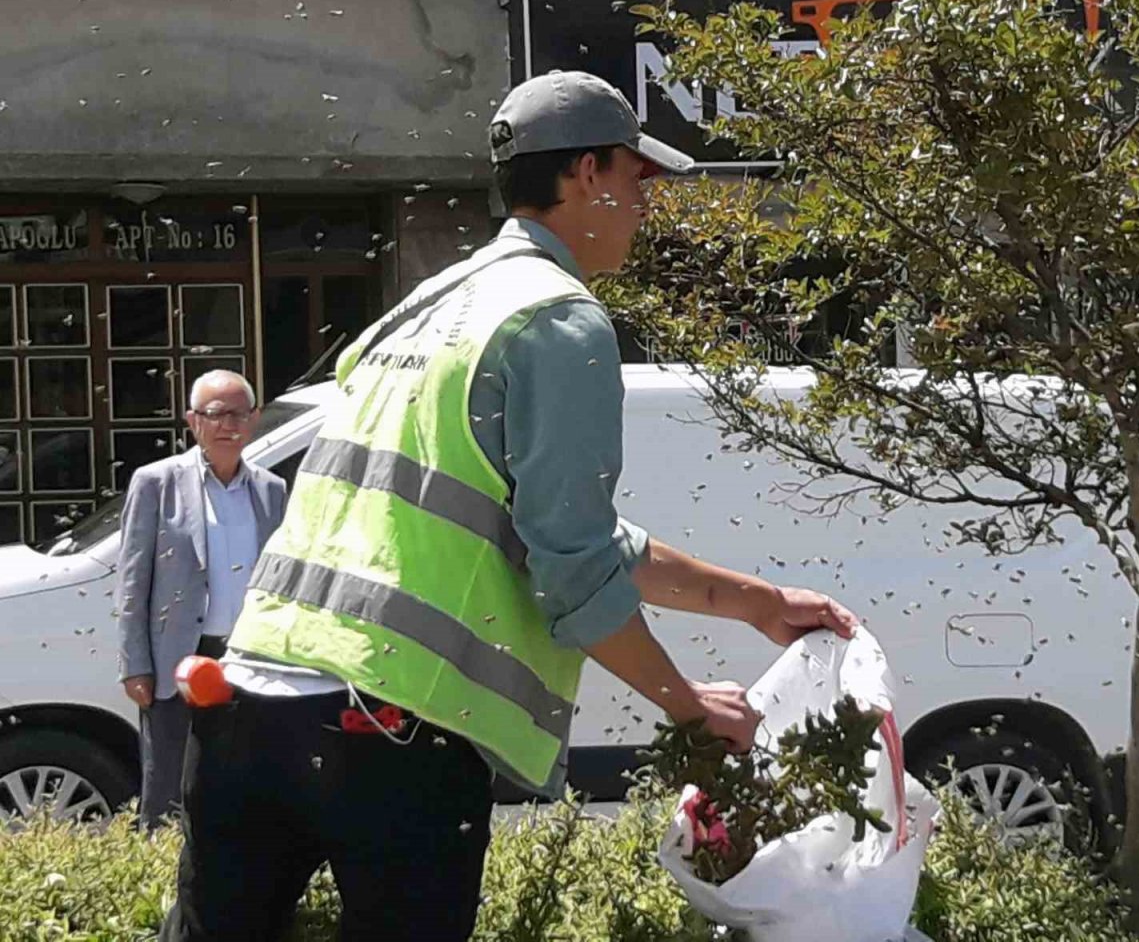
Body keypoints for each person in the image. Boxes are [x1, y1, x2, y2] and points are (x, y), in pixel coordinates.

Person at [159, 70, 860, 942]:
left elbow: (524, 521)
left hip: (248, 707)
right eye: (638, 179)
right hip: (387, 736)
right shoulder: (559, 322)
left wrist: (750, 603)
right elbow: (571, 567)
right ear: (587, 174)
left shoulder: (424, 308)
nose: (645, 204)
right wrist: (687, 704)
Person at [115, 369, 287, 829]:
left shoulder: (272, 490)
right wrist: (135, 664)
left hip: (249, 655)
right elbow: (134, 579)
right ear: (193, 421)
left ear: (254, 420)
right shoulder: (156, 482)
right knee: (170, 788)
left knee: (244, 784)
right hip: (180, 656)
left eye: (239, 414)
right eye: (216, 414)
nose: (228, 424)